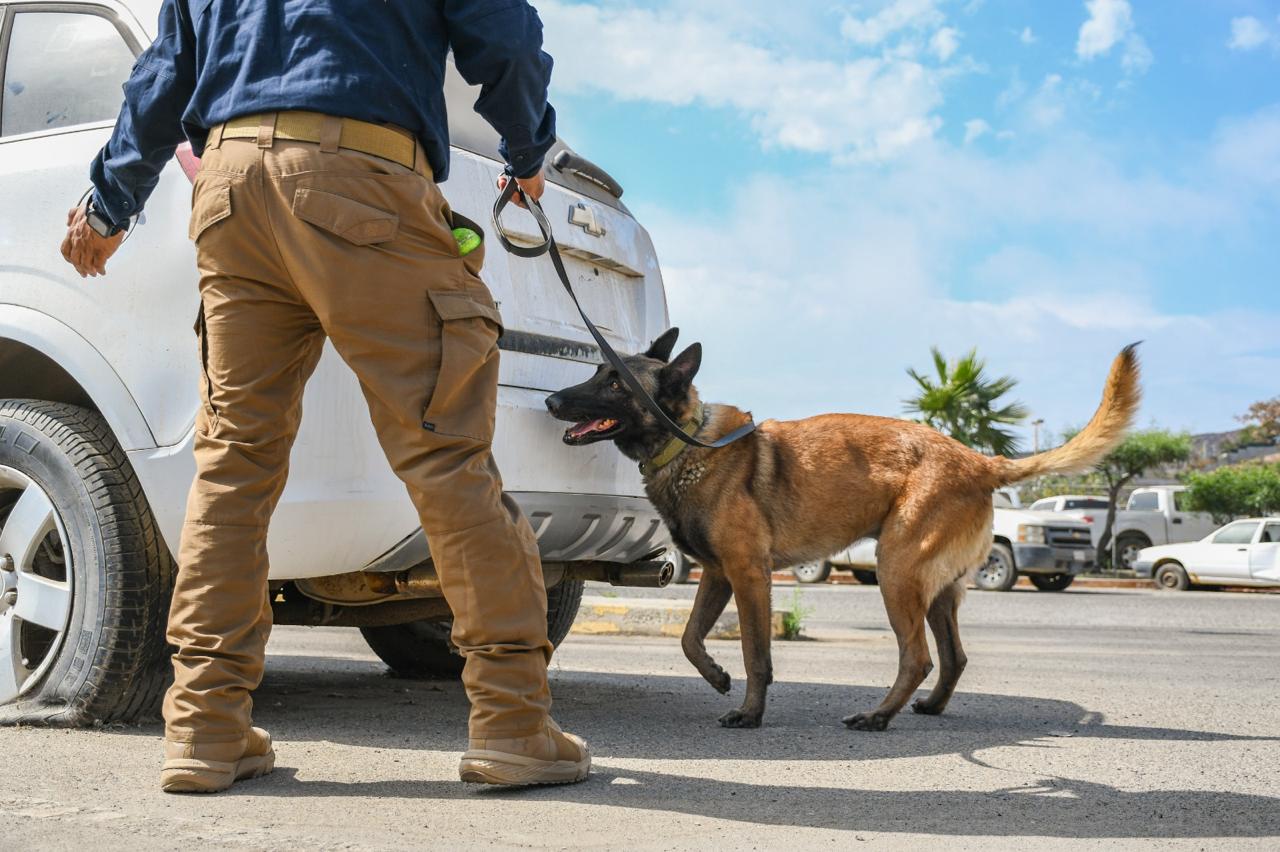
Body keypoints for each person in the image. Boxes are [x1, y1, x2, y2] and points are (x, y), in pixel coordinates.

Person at [58, 0, 590, 793]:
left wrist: (108, 204)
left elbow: (165, 73)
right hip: (362, 179)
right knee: (445, 454)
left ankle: (206, 727)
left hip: (231, 190)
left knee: (234, 463)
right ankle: (513, 724)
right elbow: (503, 37)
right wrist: (526, 144)